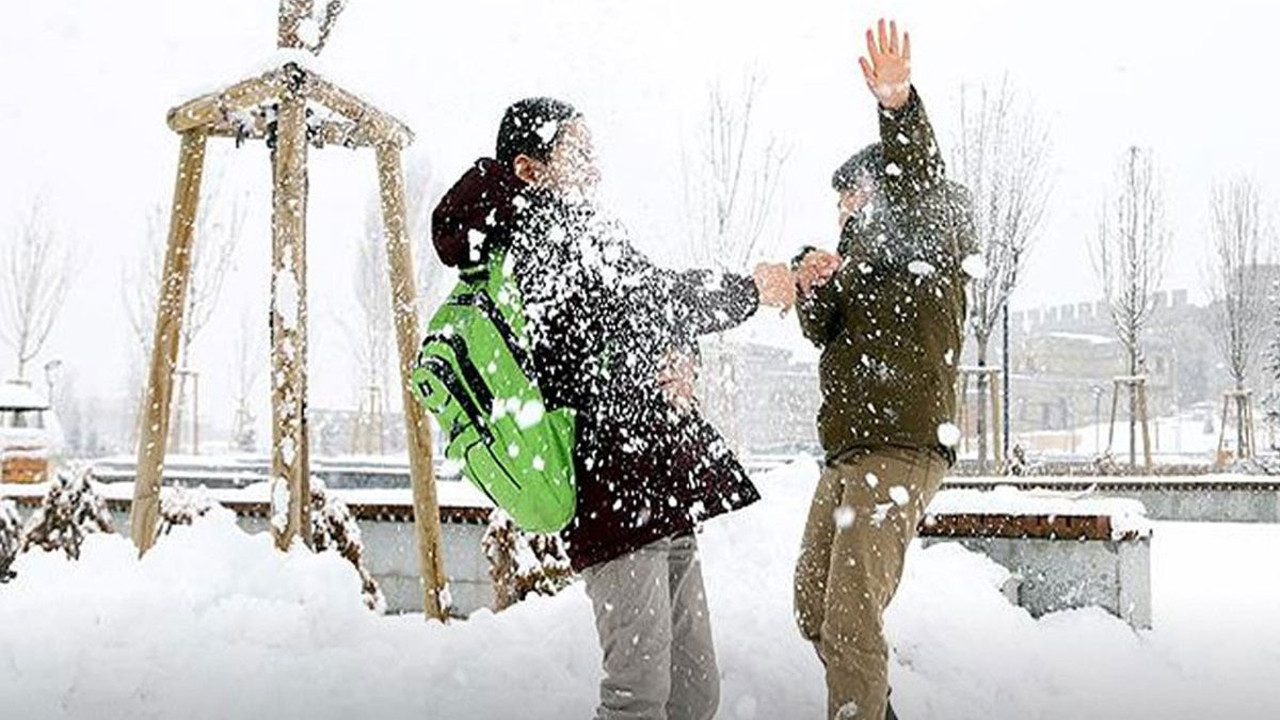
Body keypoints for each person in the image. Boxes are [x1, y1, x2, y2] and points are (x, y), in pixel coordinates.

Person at [431, 97, 795, 720]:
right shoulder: (536, 240)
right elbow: (644, 303)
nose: (594, 169)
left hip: (656, 481)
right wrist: (748, 292)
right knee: (639, 694)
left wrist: (680, 354)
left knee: (693, 692)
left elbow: (640, 312)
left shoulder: (585, 230)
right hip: (610, 486)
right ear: (529, 168)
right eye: (577, 152)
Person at [790, 19, 974, 720]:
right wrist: (814, 277)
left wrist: (897, 104)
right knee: (814, 607)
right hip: (849, 454)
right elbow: (820, 330)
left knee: (849, 623)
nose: (845, 212)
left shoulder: (926, 230)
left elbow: (918, 174)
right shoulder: (859, 268)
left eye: (854, 197)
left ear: (884, 192)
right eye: (839, 202)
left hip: (898, 449)